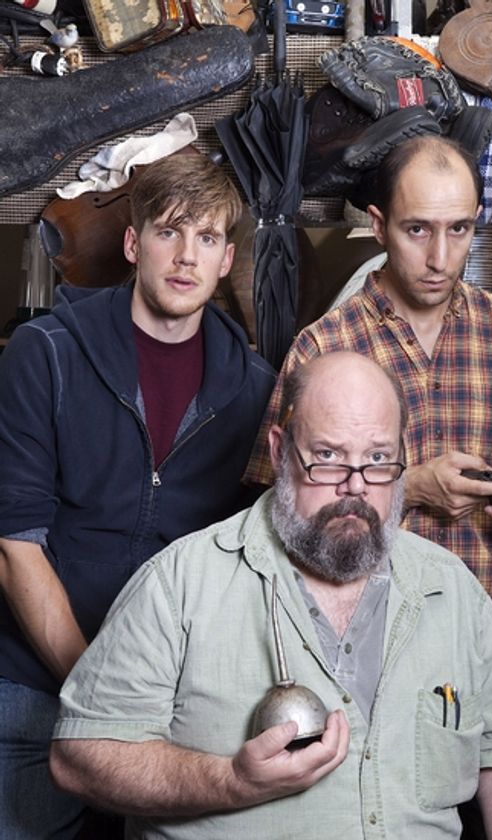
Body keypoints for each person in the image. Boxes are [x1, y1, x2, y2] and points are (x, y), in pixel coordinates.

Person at [50, 352, 492, 839]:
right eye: (328, 457)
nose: (355, 488)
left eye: (378, 458)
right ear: (278, 450)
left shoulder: (454, 594)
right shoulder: (179, 584)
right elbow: (79, 755)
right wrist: (231, 782)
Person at [244, 136, 492, 838]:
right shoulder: (322, 348)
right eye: (418, 230)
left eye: (459, 231)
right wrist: (411, 488)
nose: (440, 256)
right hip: (370, 658)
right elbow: (274, 509)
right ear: (376, 223)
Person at [0, 152, 275, 838]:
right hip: (36, 693)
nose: (185, 257)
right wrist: (96, 692)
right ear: (132, 243)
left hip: (178, 711)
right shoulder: (45, 354)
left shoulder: (253, 387)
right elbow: (15, 547)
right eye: (169, 232)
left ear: (225, 259)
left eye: (206, 238)